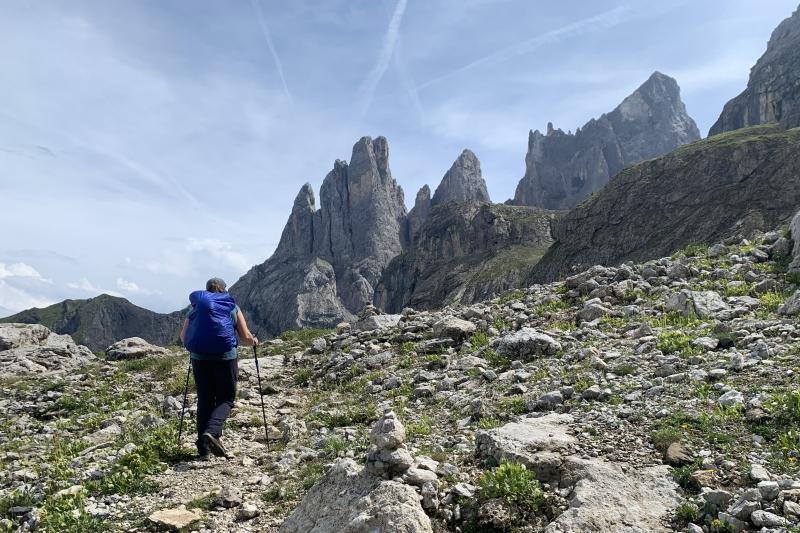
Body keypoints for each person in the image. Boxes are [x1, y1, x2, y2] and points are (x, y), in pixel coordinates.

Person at [179, 277, 258, 458]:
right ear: (224, 289)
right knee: (226, 398)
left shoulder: (196, 307)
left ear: (206, 291)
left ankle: (203, 450)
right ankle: (213, 432)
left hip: (199, 359)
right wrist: (254, 341)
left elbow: (184, 336)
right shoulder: (231, 306)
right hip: (225, 358)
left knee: (205, 400)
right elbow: (245, 337)